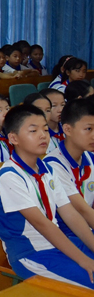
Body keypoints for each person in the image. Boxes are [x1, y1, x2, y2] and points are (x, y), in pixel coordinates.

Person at [0, 104, 94, 288]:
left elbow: (70, 213)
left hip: (56, 245)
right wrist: (84, 260)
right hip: (31, 253)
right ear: (13, 138)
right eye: (33, 130)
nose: (43, 135)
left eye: (45, 130)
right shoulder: (10, 175)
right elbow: (44, 225)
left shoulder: (47, 169)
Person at [45, 98, 94, 236]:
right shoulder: (53, 165)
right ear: (67, 129)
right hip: (69, 235)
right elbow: (82, 210)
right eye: (88, 129)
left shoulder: (90, 157)